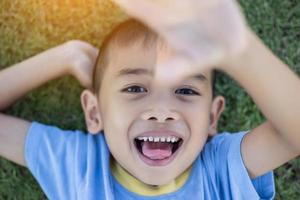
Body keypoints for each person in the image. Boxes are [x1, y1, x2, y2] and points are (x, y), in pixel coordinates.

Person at [0, 0, 300, 199]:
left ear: (211, 116)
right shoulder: (78, 165)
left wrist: (242, 52)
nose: (160, 111)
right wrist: (64, 57)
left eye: (185, 91)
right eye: (134, 89)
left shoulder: (221, 169)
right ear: (94, 113)